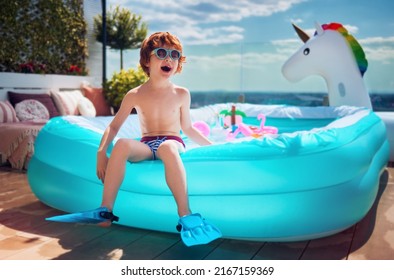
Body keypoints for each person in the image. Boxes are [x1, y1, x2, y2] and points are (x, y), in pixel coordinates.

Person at [95, 32, 222, 246]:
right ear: (147, 59)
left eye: (175, 55)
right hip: (146, 145)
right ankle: (105, 210)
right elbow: (115, 125)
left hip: (172, 142)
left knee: (166, 148)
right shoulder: (135, 94)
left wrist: (214, 148)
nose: (169, 59)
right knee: (123, 144)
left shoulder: (181, 93)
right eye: (161, 53)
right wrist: (101, 152)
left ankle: (185, 214)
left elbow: (188, 129)